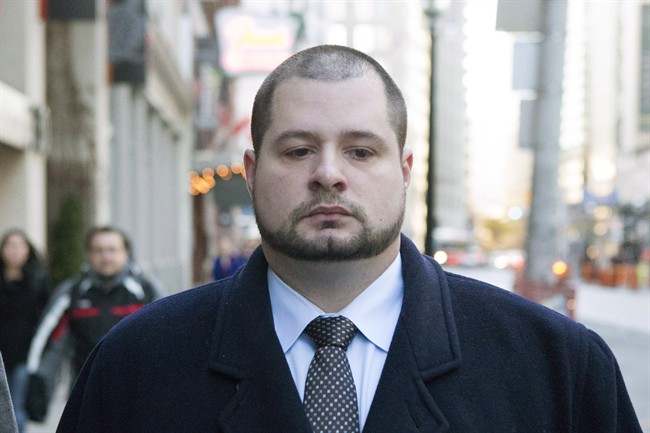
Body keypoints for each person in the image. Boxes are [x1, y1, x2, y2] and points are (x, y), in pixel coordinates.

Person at [57, 45, 641, 432]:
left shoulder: (556, 366)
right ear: (252, 172)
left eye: (361, 150)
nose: (329, 172)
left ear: (406, 169)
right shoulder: (135, 366)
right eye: (298, 149)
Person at [26, 226, 161, 421]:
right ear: (88, 254)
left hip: (138, 394)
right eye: (98, 250)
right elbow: (50, 343)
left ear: (126, 253)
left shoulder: (146, 291)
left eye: (112, 250)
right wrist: (38, 388)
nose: (105, 256)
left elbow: (167, 339)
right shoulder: (73, 292)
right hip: (86, 395)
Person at [0, 229, 50, 433]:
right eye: (10, 246)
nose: (14, 251)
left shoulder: (38, 280)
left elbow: (44, 318)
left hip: (25, 353)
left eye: (19, 246)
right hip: (1, 350)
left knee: (15, 407)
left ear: (28, 250)